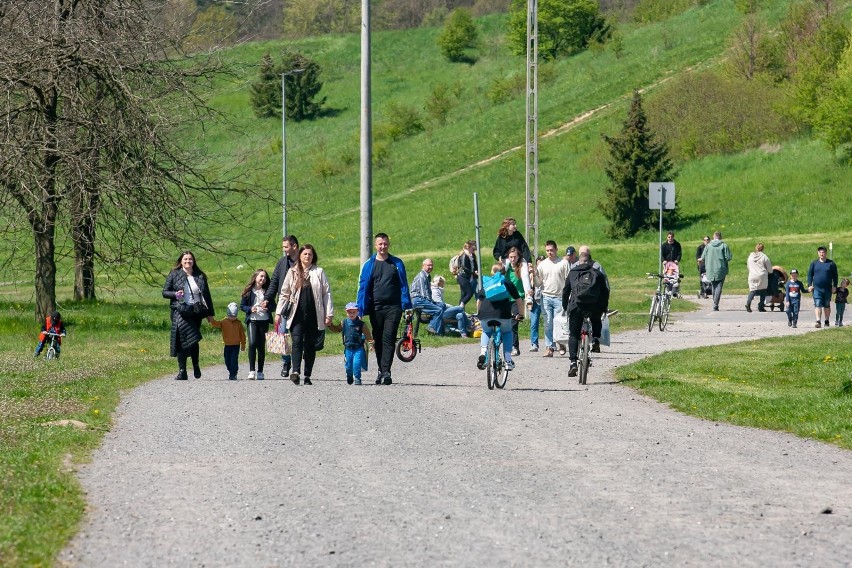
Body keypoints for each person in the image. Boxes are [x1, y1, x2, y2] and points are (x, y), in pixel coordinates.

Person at [356, 233, 413, 386]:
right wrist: (359, 310)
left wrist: (407, 307)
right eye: (380, 244)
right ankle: (381, 370)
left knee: (388, 338)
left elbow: (404, 286)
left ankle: (387, 371)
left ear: (389, 244)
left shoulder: (397, 263)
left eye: (385, 243)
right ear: (376, 245)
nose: (383, 246)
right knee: (378, 339)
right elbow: (362, 288)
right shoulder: (369, 265)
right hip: (376, 308)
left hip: (393, 308)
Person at [275, 244, 333, 386]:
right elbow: (284, 293)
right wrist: (278, 313)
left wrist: (329, 314)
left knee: (309, 345)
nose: (307, 256)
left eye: (310, 254)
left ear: (313, 257)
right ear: (300, 255)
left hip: (314, 314)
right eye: (305, 254)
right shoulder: (293, 271)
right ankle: (295, 371)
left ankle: (307, 375)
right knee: (296, 343)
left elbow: (327, 294)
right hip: (296, 314)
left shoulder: (319, 272)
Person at [162, 250, 215, 380]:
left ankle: (196, 365)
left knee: (193, 339)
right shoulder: (174, 274)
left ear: (193, 261)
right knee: (180, 340)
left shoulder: (200, 276)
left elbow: (207, 296)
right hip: (179, 310)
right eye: (185, 259)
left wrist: (210, 314)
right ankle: (182, 371)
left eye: (190, 259)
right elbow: (164, 292)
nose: (188, 261)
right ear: (181, 261)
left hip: (195, 311)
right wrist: (175, 294)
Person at [562, 250, 610, 377]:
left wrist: (565, 307)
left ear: (579, 261)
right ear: (591, 262)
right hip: (593, 306)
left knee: (573, 334)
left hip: (576, 306)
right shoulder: (598, 274)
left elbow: (565, 291)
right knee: (596, 320)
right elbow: (605, 292)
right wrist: (604, 308)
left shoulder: (572, 273)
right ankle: (595, 340)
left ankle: (573, 362)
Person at [476, 264, 525, 371]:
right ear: (504, 272)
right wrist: (520, 314)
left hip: (485, 314)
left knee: (486, 331)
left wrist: (478, 313)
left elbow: (479, 300)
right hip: (502, 314)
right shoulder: (507, 283)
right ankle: (508, 360)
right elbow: (519, 300)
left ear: (492, 272)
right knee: (507, 332)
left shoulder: (487, 283)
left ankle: (483, 351)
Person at [264, 235, 299, 377]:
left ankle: (297, 364)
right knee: (282, 333)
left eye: (286, 247)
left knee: (297, 335)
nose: (284, 249)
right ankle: (286, 362)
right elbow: (274, 282)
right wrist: (267, 299)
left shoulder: (304, 261)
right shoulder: (282, 263)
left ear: (294, 246)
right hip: (285, 304)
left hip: (300, 304)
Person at [536, 240, 570, 357]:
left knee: (558, 322)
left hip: (560, 297)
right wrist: (533, 274)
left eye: (551, 250)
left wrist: (568, 296)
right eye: (547, 250)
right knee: (548, 322)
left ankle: (561, 343)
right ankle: (549, 347)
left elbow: (568, 280)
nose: (550, 252)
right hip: (546, 296)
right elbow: (538, 283)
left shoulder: (564, 263)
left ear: (556, 249)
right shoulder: (542, 265)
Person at [241, 268, 272, 380]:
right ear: (255, 277)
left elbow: (273, 305)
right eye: (261, 276)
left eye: (264, 277)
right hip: (252, 320)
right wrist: (250, 308)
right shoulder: (248, 291)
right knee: (252, 343)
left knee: (261, 346)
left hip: (264, 321)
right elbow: (242, 306)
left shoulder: (268, 292)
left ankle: (260, 371)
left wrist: (267, 306)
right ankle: (251, 370)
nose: (263, 279)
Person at [504, 246, 532, 355]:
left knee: (513, 324)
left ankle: (515, 347)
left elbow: (525, 281)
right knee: (505, 323)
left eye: (514, 257)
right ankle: (506, 344)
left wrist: (528, 293)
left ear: (518, 256)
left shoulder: (521, 267)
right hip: (506, 298)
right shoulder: (506, 268)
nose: (512, 259)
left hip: (517, 299)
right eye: (510, 257)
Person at [210, 303, 246, 381]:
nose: (232, 318)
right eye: (230, 316)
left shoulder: (238, 323)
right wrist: (211, 320)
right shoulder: (224, 322)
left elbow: (242, 335)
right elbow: (216, 324)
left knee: (234, 360)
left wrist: (243, 344)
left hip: (236, 346)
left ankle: (233, 373)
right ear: (227, 314)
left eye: (234, 316)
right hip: (227, 345)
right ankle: (231, 371)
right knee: (227, 361)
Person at [410, 258, 445, 335]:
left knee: (442, 305)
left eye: (431, 265)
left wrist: (433, 302)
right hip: (418, 300)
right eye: (428, 265)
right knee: (438, 310)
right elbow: (424, 294)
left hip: (423, 299)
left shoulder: (427, 276)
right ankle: (432, 327)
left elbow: (428, 293)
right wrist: (432, 303)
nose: (430, 267)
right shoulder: (422, 276)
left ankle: (439, 331)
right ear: (423, 266)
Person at [341, 301, 373, 385]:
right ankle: (349, 375)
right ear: (346, 312)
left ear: (357, 312)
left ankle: (358, 378)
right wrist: (329, 325)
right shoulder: (344, 323)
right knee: (348, 365)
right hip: (348, 348)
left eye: (354, 312)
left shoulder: (361, 324)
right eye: (349, 312)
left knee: (356, 364)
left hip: (358, 348)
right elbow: (336, 329)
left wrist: (371, 344)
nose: (351, 314)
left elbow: (368, 335)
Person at [807, 245, 838, 328]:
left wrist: (834, 286)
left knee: (827, 305)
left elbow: (835, 276)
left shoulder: (831, 264)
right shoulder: (814, 263)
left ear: (826, 253)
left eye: (823, 252)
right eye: (820, 252)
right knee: (817, 304)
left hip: (828, 288)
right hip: (817, 288)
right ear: (818, 253)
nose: (822, 254)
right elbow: (810, 275)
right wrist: (810, 285)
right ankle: (818, 321)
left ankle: (827, 320)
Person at [700, 231, 733, 311]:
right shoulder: (724, 245)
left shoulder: (708, 246)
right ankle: (715, 304)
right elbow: (729, 257)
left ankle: (715, 302)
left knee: (713, 285)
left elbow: (703, 257)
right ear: (720, 237)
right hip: (721, 269)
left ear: (713, 237)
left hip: (710, 268)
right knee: (719, 286)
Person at [745, 243, 772, 313]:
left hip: (752, 275)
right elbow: (769, 269)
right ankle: (761, 307)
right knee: (763, 291)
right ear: (763, 249)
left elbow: (748, 266)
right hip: (762, 276)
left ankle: (748, 302)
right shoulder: (764, 257)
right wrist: (769, 272)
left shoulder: (750, 257)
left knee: (752, 290)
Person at [528, 255, 545, 352]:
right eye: (539, 264)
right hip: (535, 301)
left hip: (545, 299)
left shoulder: (547, 273)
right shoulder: (531, 274)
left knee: (549, 323)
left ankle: (552, 344)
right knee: (533, 324)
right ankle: (534, 343)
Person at [456, 240, 478, 308]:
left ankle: (460, 310)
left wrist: (476, 271)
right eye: (474, 246)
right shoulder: (464, 255)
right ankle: (461, 305)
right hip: (462, 276)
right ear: (469, 246)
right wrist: (473, 273)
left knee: (464, 294)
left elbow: (475, 265)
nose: (475, 248)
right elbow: (464, 267)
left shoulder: (472, 255)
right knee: (469, 293)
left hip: (467, 277)